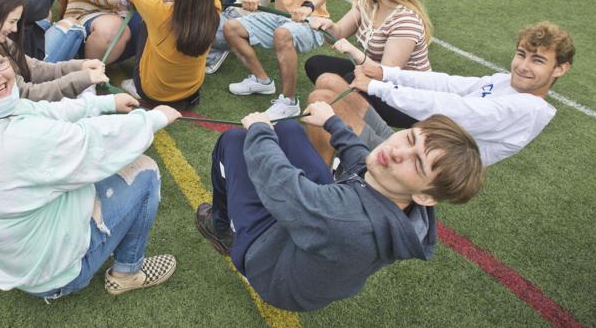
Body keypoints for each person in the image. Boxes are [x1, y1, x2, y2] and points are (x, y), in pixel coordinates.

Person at [0, 33, 181, 299]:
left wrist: (103, 102)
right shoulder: (19, 138)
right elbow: (92, 140)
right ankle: (127, 273)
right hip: (51, 274)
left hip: (11, 263)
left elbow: (41, 110)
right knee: (144, 170)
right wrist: (154, 119)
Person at [194, 104, 483, 311]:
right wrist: (332, 122)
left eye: (417, 162)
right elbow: (363, 164)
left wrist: (259, 131)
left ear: (426, 197)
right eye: (409, 138)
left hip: (271, 266)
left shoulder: (347, 219)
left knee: (233, 141)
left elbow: (280, 186)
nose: (396, 151)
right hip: (316, 246)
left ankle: (221, 227)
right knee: (290, 130)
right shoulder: (402, 198)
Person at [310, 21, 574, 166]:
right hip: (411, 143)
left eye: (538, 60)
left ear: (560, 69)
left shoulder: (529, 108)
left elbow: (453, 109)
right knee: (329, 81)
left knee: (321, 99)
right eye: (521, 54)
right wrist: (385, 73)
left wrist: (378, 87)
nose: (523, 66)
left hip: (420, 166)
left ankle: (324, 181)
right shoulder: (506, 82)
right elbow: (448, 84)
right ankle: (336, 166)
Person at [302, 0, 433, 162]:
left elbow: (386, 74)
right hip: (370, 73)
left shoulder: (406, 20)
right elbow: (338, 33)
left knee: (343, 86)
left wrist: (353, 51)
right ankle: (337, 131)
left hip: (405, 96)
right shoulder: (367, 4)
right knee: (318, 68)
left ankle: (347, 143)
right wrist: (327, 26)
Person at [114, 0, 221, 106]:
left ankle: (135, 85)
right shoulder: (215, 8)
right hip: (191, 90)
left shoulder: (158, 11)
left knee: (145, 24)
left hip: (153, 93)